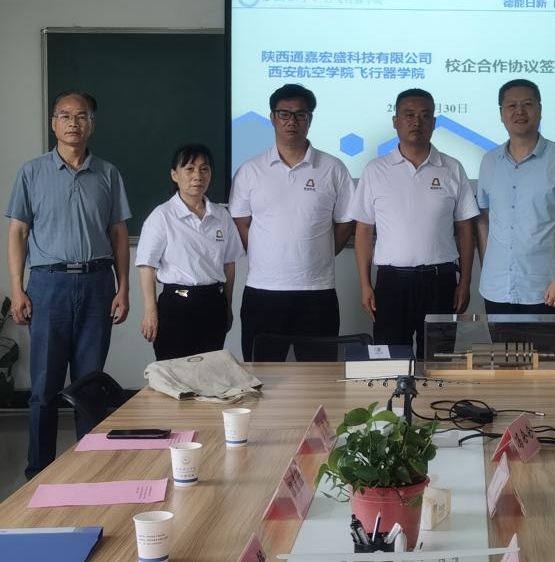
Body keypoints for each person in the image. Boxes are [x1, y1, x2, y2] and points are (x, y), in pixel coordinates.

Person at [5, 91, 131, 479]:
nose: (73, 122)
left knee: (89, 388)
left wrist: (123, 288)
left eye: (81, 116)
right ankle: (38, 473)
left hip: (97, 284)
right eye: (65, 115)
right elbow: (18, 233)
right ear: (53, 123)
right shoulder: (32, 172)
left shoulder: (108, 174)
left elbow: (118, 234)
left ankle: (89, 472)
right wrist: (17, 288)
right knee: (44, 388)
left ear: (92, 124)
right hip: (49, 286)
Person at [349, 89, 479, 358]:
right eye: (409, 115)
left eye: (424, 115)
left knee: (439, 361)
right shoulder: (375, 170)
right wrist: (365, 284)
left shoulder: (452, 168)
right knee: (391, 361)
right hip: (392, 283)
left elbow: (466, 230)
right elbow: (363, 230)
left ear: (434, 122)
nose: (416, 122)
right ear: (395, 121)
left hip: (441, 282)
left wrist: (465, 281)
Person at [229, 84, 355, 361]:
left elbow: (346, 222)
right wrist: (267, 251)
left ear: (310, 119)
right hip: (263, 291)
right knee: (261, 374)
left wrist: (319, 251)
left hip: (317, 292)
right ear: (272, 118)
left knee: (318, 375)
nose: (292, 121)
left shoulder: (333, 168)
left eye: (300, 115)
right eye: (284, 114)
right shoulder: (250, 170)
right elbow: (241, 222)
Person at [477, 79, 555, 322]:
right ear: (501, 113)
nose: (519, 111)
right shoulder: (489, 161)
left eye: (527, 104)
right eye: (511, 106)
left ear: (540, 109)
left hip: (545, 288)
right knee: (501, 349)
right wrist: (488, 267)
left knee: (546, 349)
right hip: (497, 287)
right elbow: (484, 220)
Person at [136, 144, 245, 360]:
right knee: (175, 373)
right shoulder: (162, 215)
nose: (198, 176)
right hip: (176, 306)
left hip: (213, 304)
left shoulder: (221, 216)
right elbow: (147, 265)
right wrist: (150, 310)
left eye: (204, 169)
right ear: (174, 175)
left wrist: (228, 306)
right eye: (189, 169)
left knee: (210, 372)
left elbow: (229, 264)